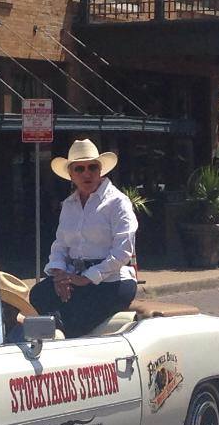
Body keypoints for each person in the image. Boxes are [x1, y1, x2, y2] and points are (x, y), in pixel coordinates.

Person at [29, 139, 138, 338]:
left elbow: (122, 253)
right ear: (71, 174)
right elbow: (60, 245)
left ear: (101, 170)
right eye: (79, 168)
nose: (86, 173)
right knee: (38, 294)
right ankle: (57, 329)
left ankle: (60, 331)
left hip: (110, 281)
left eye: (92, 167)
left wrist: (87, 278)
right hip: (74, 276)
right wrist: (59, 273)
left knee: (76, 319)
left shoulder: (117, 202)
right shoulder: (69, 205)